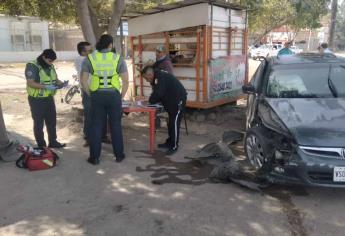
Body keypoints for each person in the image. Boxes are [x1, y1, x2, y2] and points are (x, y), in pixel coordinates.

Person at [80, 34, 129, 165]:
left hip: (97, 95)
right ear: (110, 45)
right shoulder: (118, 58)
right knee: (115, 125)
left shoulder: (90, 58)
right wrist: (121, 96)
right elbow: (125, 81)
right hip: (113, 96)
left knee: (96, 126)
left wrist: (90, 94)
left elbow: (83, 80)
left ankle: (94, 158)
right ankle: (119, 155)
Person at [141, 66, 187, 155]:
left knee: (174, 124)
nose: (146, 80)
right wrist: (152, 100)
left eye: (146, 78)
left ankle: (174, 146)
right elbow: (157, 92)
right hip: (171, 101)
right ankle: (169, 142)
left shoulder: (160, 76)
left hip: (178, 101)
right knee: (170, 123)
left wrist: (150, 101)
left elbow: (159, 92)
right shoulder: (156, 77)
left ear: (150, 74)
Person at [25, 49, 66, 148]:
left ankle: (53, 142)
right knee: (39, 123)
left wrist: (61, 83)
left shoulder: (50, 66)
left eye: (52, 61)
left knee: (52, 121)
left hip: (49, 98)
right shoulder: (32, 66)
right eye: (50, 60)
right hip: (37, 100)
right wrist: (46, 87)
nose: (51, 63)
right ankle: (41, 145)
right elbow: (30, 82)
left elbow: (55, 79)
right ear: (43, 57)